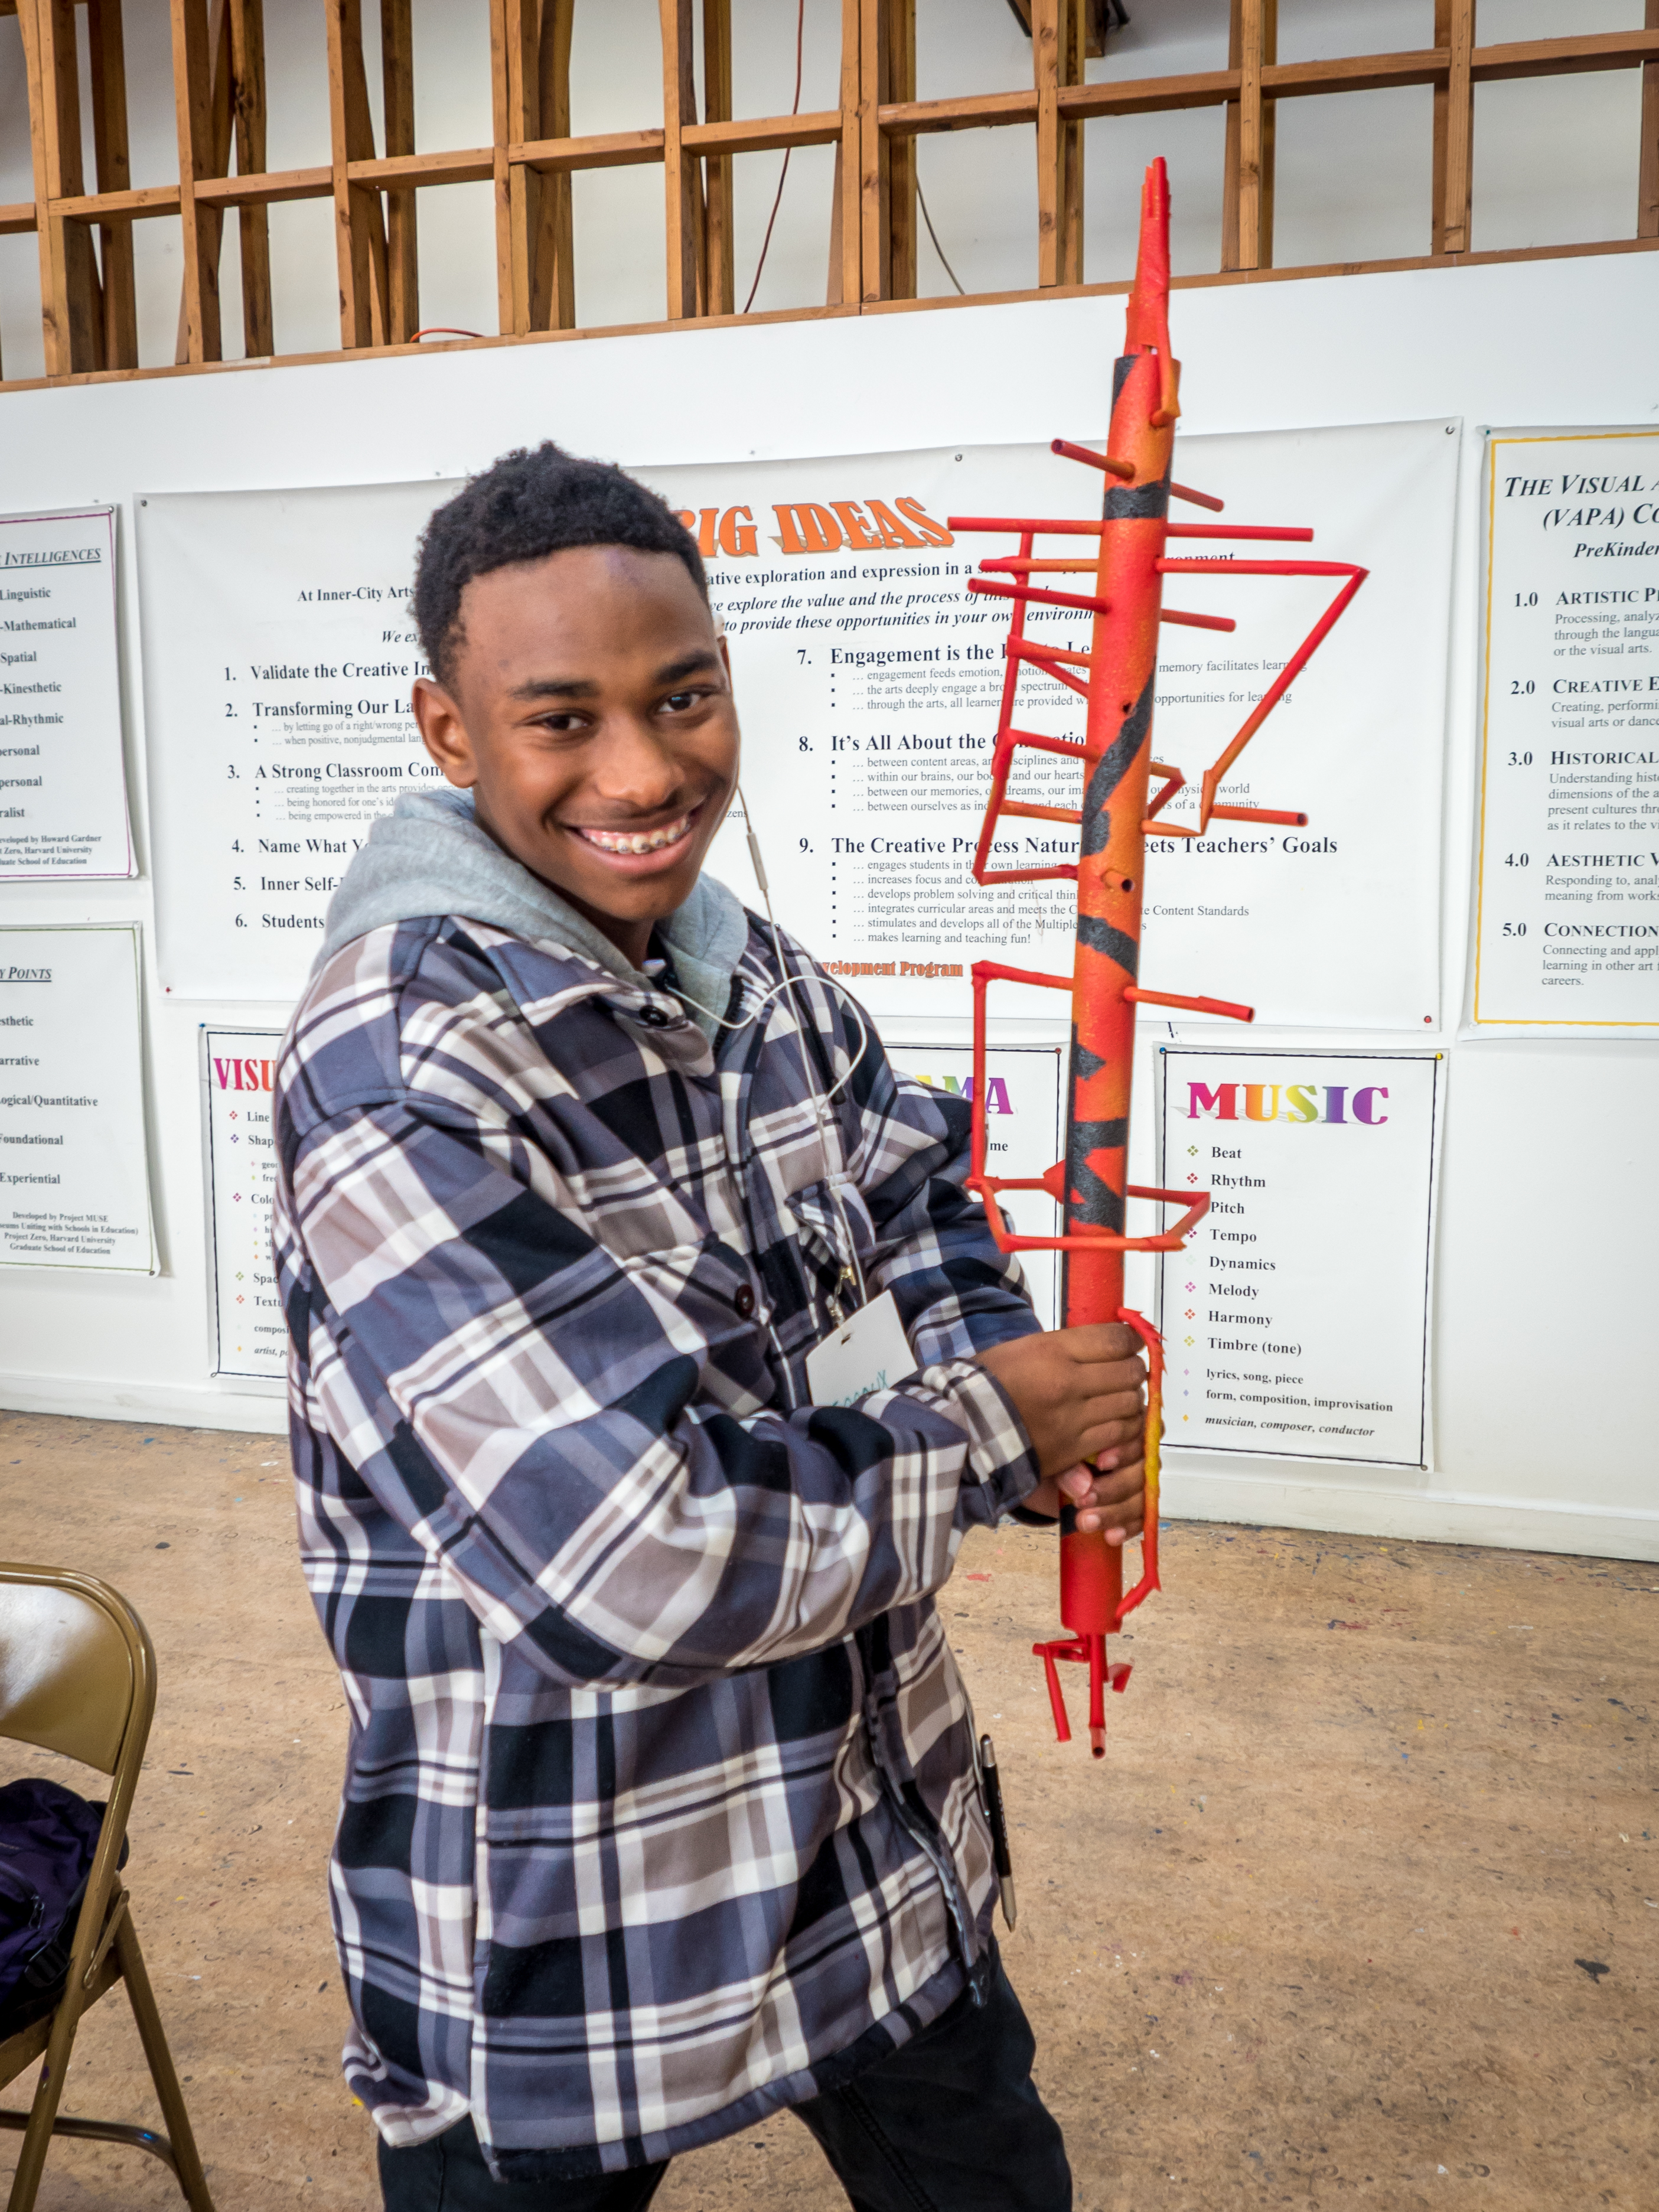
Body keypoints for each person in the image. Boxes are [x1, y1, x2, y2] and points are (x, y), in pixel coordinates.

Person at [272, 443, 1148, 2210]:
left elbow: (911, 1201)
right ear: (449, 734)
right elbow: (634, 1560)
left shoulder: (750, 971)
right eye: (561, 720)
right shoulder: (402, 1066)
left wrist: (1014, 1389)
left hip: (856, 1831)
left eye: (684, 698)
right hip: (579, 1897)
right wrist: (989, 1430)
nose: (645, 771)